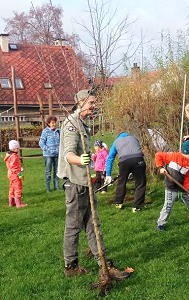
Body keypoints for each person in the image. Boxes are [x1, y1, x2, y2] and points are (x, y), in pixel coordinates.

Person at [57, 89, 129, 279]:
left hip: (85, 182)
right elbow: (68, 154)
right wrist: (81, 160)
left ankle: (103, 262)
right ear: (81, 103)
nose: (94, 106)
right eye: (91, 103)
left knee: (92, 222)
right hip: (75, 183)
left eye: (94, 103)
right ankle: (70, 265)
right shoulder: (72, 124)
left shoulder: (81, 123)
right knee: (74, 225)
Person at [104, 132, 146, 213]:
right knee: (140, 183)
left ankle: (118, 203)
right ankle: (137, 207)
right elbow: (138, 150)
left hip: (124, 162)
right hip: (138, 159)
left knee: (121, 182)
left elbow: (110, 158)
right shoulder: (134, 138)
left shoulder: (116, 141)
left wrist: (108, 174)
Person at [39, 115, 61, 192]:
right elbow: (41, 143)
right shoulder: (45, 131)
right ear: (48, 123)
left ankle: (57, 187)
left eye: (55, 122)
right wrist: (48, 149)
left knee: (57, 171)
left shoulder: (59, 131)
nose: (54, 124)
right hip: (48, 155)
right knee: (48, 172)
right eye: (52, 123)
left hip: (57, 154)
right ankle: (48, 188)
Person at [4, 140, 27, 208]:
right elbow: (14, 167)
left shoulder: (9, 155)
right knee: (18, 187)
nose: (18, 149)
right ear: (13, 148)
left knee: (12, 187)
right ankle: (18, 204)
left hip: (10, 173)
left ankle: (11, 203)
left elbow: (12, 166)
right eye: (17, 148)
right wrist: (20, 174)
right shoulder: (14, 156)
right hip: (15, 174)